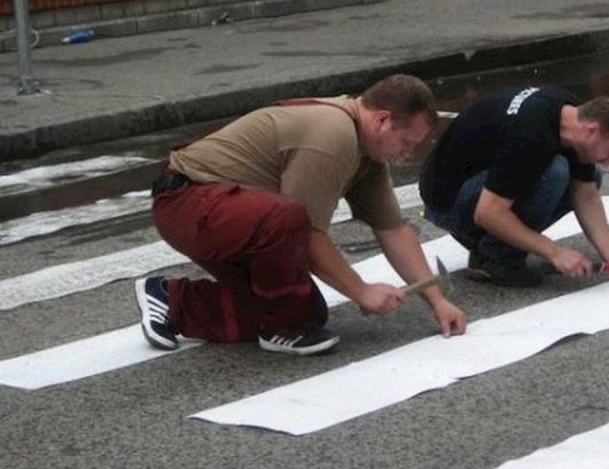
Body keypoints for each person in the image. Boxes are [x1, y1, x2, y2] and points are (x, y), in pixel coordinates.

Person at [135, 74, 467, 357]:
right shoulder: (333, 133)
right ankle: (281, 331)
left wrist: (437, 301)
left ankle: (170, 300)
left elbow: (393, 229)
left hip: (231, 214)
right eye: (406, 142)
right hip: (186, 201)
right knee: (289, 220)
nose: (406, 154)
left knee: (302, 311)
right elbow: (307, 234)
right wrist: (361, 291)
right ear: (382, 120)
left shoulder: (367, 153)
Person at [419, 86, 609, 286]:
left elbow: (586, 195)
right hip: (447, 203)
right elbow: (487, 213)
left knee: (591, 175)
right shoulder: (530, 135)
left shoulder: (572, 113)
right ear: (591, 131)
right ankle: (495, 255)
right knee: (555, 172)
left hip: (478, 184)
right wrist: (555, 252)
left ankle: (488, 241)